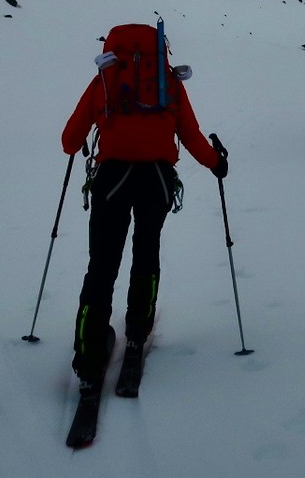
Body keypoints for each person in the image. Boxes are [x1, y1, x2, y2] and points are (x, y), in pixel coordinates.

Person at [60, 22, 228, 397]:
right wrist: (216, 162)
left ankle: (89, 354)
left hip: (111, 180)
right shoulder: (169, 84)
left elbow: (70, 140)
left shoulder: (104, 78)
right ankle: (137, 331)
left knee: (101, 267)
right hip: (156, 178)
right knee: (146, 253)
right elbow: (191, 134)